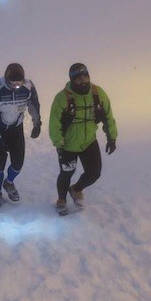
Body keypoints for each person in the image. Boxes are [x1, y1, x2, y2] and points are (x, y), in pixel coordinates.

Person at [48, 63, 118, 215]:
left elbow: (108, 116)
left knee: (94, 173)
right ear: (72, 80)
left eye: (85, 76)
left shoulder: (97, 93)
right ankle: (61, 199)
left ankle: (76, 189)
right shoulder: (62, 98)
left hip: (89, 142)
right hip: (68, 144)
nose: (83, 80)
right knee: (66, 173)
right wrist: (59, 144)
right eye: (78, 78)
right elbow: (54, 124)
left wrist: (112, 137)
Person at [0, 63, 42, 208]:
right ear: (6, 78)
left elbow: (34, 106)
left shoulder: (28, 86)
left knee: (18, 162)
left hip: (16, 128)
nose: (16, 85)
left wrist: (37, 124)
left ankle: (8, 183)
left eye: (18, 82)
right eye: (12, 82)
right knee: (0, 163)